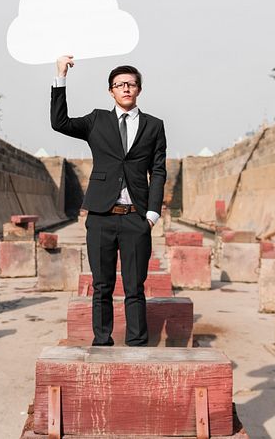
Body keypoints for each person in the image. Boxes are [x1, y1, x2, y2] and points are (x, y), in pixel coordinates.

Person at [50, 55, 167, 346]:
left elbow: (159, 170)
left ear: (139, 89)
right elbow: (59, 122)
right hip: (101, 216)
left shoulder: (154, 126)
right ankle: (102, 342)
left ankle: (137, 344)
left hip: (135, 217)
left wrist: (151, 215)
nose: (126, 88)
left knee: (134, 286)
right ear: (110, 91)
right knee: (102, 286)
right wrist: (61, 76)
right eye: (119, 84)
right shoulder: (96, 120)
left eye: (131, 84)